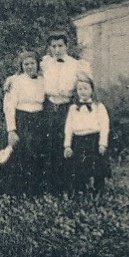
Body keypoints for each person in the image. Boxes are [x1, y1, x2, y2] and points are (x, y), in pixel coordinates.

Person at [41, 32, 94, 195]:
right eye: (54, 46)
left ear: (66, 46)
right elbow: (27, 70)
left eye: (60, 46)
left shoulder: (76, 65)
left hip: (67, 107)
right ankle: (52, 187)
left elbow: (89, 85)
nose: (57, 50)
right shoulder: (45, 63)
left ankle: (70, 185)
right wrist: (11, 79)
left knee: (69, 144)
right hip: (49, 107)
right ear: (49, 48)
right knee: (51, 146)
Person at [2, 50, 48, 195]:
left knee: (39, 152)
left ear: (37, 64)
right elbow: (9, 107)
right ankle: (21, 191)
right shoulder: (16, 81)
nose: (29, 67)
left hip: (40, 119)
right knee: (23, 154)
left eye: (32, 63)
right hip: (23, 119)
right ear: (21, 66)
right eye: (25, 64)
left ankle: (37, 189)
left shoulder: (43, 79)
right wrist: (11, 130)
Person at [63, 76, 111, 195]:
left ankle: (99, 189)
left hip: (93, 139)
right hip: (78, 140)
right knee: (79, 166)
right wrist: (67, 146)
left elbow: (105, 127)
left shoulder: (98, 107)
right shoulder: (73, 108)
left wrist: (102, 144)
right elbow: (68, 128)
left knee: (97, 166)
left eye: (85, 88)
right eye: (80, 89)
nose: (83, 91)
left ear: (92, 90)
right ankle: (80, 190)